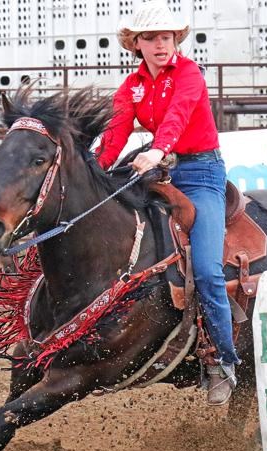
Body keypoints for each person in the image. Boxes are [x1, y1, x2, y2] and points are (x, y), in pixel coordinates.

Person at [96, 0, 240, 405]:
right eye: (151, 38)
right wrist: (94, 174)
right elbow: (114, 138)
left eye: (166, 37)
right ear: (136, 44)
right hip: (161, 170)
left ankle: (224, 361)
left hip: (201, 174)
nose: (160, 44)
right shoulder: (132, 87)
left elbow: (178, 116)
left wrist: (157, 151)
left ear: (175, 39)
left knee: (209, 271)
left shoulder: (189, 74)